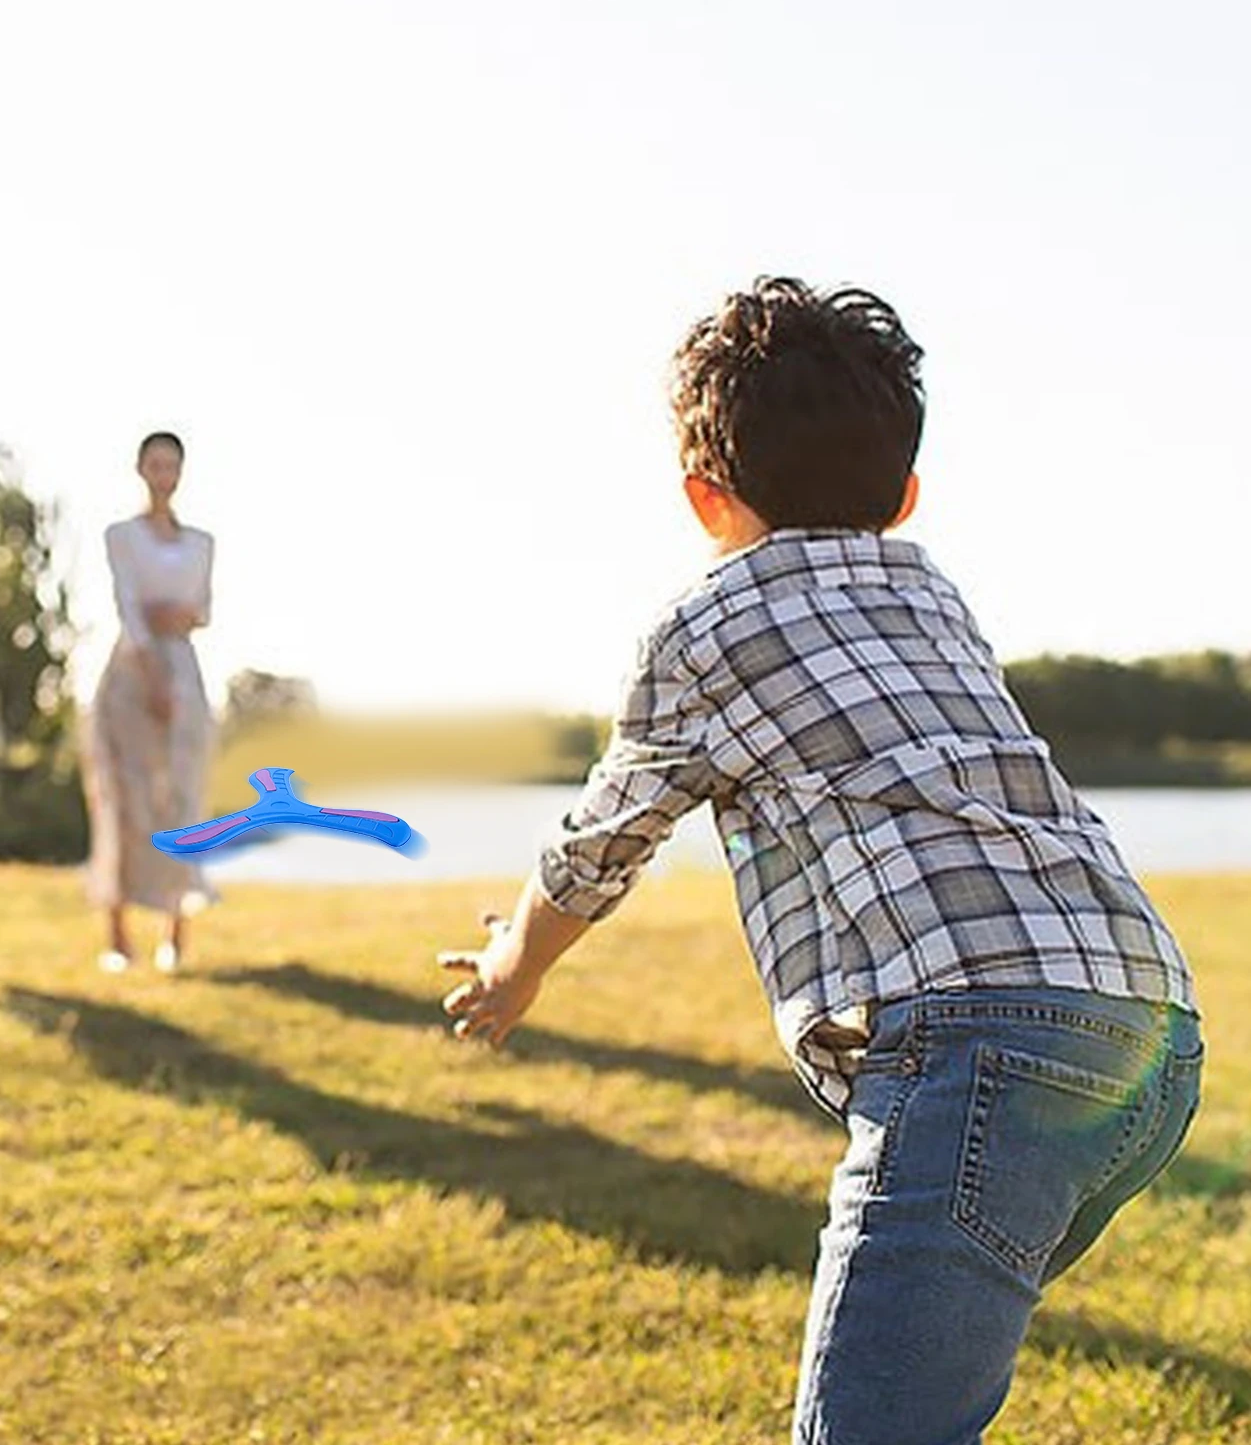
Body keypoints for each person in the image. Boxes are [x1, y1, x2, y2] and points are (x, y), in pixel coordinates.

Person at [438, 278, 1203, 1444]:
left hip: (978, 1046)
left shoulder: (699, 630)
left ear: (704, 497)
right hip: (1150, 1034)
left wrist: (515, 964)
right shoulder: (928, 591)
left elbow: (603, 841)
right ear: (902, 493)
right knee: (924, 1386)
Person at [81, 431, 216, 974]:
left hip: (185, 669)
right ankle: (116, 934)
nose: (164, 474)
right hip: (131, 674)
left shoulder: (202, 542)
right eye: (155, 464)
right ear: (141, 469)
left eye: (172, 465)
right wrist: (153, 672)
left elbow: (201, 610)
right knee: (123, 798)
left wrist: (176, 621)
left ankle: (176, 931)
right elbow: (130, 609)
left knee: (181, 797)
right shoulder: (121, 536)